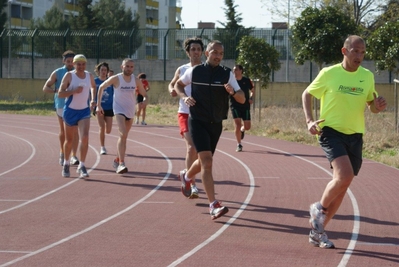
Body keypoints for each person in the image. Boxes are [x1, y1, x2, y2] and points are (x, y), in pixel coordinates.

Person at [302, 35, 387, 248]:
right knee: (345, 175)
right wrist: (310, 120)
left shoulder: (367, 76)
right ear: (344, 51)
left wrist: (378, 106)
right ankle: (318, 208)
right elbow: (307, 94)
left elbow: (372, 107)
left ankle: (318, 231)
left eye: (363, 52)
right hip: (331, 131)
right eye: (355, 51)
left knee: (343, 185)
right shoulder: (329, 73)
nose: (359, 56)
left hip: (355, 135)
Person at [174, 40, 245, 220]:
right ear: (207, 53)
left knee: (206, 160)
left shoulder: (227, 74)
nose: (218, 56)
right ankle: (213, 204)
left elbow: (242, 98)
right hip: (197, 120)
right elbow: (178, 85)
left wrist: (233, 93)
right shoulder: (195, 71)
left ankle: (187, 175)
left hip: (216, 123)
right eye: (215, 52)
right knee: (206, 161)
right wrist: (185, 97)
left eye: (221, 53)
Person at [97, 58, 148, 174]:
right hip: (119, 110)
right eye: (127, 66)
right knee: (123, 133)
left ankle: (117, 158)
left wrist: (145, 101)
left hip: (130, 110)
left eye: (131, 67)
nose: (129, 69)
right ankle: (121, 164)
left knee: (124, 137)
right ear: (122, 67)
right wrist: (98, 105)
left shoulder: (135, 80)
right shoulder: (116, 78)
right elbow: (101, 87)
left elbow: (145, 94)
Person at [168, 37, 204, 199]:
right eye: (193, 49)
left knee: (201, 153)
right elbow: (172, 84)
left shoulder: (206, 69)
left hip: (202, 114)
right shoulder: (182, 69)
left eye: (198, 49)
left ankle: (186, 175)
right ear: (188, 52)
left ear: (203, 52)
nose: (196, 52)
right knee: (191, 148)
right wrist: (172, 90)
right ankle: (193, 185)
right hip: (185, 113)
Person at [58, 54, 97, 178]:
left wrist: (92, 99)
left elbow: (93, 87)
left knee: (85, 137)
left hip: (84, 111)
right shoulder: (69, 76)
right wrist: (74, 91)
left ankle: (82, 165)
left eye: (83, 64)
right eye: (78, 64)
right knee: (69, 140)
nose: (81, 66)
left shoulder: (89, 75)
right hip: (70, 111)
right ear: (74, 64)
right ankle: (66, 163)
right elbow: (60, 93)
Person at [43, 50, 80, 166]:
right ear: (63, 61)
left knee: (75, 131)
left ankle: (74, 156)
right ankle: (62, 152)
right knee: (64, 131)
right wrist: (56, 90)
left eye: (71, 61)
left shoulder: (79, 73)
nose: (70, 63)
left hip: (76, 105)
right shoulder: (57, 72)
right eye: (68, 61)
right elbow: (45, 88)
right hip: (61, 104)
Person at [231, 64, 254, 152]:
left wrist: (251, 98)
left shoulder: (247, 80)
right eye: (233, 70)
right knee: (237, 124)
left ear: (241, 71)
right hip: (235, 105)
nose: (234, 72)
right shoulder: (231, 81)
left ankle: (242, 130)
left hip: (245, 106)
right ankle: (239, 144)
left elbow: (252, 90)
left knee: (247, 127)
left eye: (236, 70)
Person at [93, 62, 114, 155]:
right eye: (102, 70)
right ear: (98, 71)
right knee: (102, 127)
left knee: (108, 130)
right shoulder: (95, 81)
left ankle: (104, 134)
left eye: (105, 70)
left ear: (107, 71)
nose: (103, 72)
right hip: (99, 107)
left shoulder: (111, 82)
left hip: (109, 107)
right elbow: (91, 93)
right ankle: (102, 147)